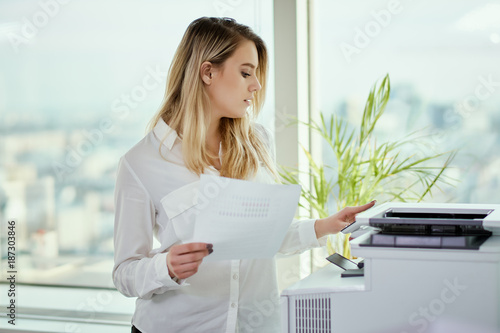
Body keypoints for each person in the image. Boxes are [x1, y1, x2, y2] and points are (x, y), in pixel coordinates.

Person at [112, 17, 375, 333]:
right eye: (246, 72)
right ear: (208, 72)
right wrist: (165, 267)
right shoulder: (141, 163)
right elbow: (125, 272)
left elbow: (261, 237)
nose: (257, 85)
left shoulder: (257, 141)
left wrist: (324, 226)